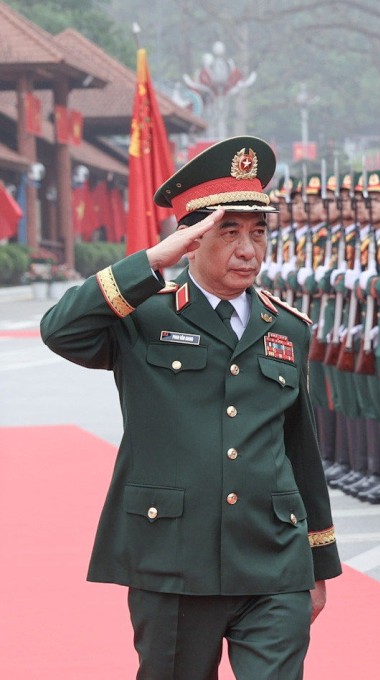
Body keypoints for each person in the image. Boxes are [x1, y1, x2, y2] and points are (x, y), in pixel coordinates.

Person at [39, 136, 342, 678]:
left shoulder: (288, 329)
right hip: (173, 560)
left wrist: (317, 564)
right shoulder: (142, 316)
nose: (248, 250)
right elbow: (61, 330)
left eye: (258, 233)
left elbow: (301, 447)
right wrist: (152, 262)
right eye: (228, 233)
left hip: (272, 559)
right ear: (190, 239)